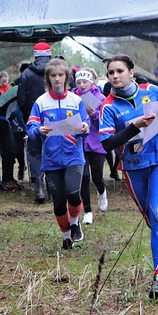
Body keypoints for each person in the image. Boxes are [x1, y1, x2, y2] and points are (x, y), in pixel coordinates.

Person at [99, 54, 158, 302]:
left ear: (131, 72)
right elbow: (108, 143)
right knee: (152, 218)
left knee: (156, 212)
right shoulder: (108, 107)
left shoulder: (150, 90)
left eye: (119, 71)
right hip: (132, 168)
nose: (115, 76)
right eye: (111, 73)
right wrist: (135, 126)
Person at [26, 58, 89, 250]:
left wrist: (85, 127)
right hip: (52, 159)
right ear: (48, 78)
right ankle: (66, 236)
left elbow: (86, 123)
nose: (57, 79)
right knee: (59, 202)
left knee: (73, 192)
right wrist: (38, 131)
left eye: (60, 75)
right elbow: (31, 127)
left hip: (73, 156)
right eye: (53, 76)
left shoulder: (76, 100)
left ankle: (75, 222)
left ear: (66, 77)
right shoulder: (41, 102)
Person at [18, 41, 53, 203]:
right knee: (54, 152)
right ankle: (53, 191)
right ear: (49, 54)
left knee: (35, 153)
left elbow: (22, 100)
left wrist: (29, 117)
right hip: (56, 119)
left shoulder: (26, 74)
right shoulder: (57, 71)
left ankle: (40, 190)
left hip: (35, 120)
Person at [73, 68, 107, 224]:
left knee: (97, 177)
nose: (81, 85)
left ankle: (102, 191)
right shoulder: (72, 98)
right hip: (79, 143)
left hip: (97, 143)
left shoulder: (100, 98)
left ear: (91, 82)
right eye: (78, 82)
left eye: (84, 82)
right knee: (84, 176)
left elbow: (106, 122)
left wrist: (93, 115)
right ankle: (87, 211)